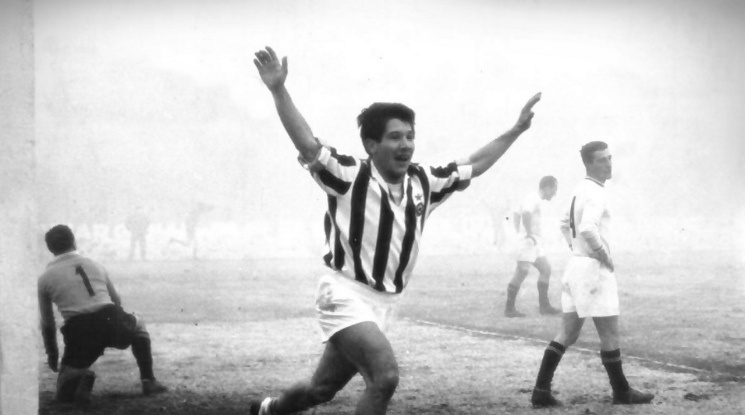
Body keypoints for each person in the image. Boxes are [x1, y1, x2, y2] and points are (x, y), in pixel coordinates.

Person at [249, 46, 541, 415]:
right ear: (371, 145)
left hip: (384, 303)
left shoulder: (424, 181)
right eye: (395, 137)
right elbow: (307, 143)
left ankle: (269, 410)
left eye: (409, 136)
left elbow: (475, 163)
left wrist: (516, 130)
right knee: (384, 377)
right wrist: (278, 90)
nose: (405, 145)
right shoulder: (350, 175)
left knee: (321, 389)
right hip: (343, 293)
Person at [530, 142, 654, 407]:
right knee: (609, 335)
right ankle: (622, 392)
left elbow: (563, 224)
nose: (609, 164)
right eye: (602, 160)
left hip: (575, 266)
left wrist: (575, 248)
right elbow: (587, 227)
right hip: (593, 270)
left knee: (567, 333)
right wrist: (602, 254)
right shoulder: (596, 192)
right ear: (589, 164)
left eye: (610, 158)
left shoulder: (579, 189)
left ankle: (540, 391)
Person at [38, 225, 167, 406]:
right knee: (139, 324)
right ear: (74, 242)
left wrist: (52, 353)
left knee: (62, 395)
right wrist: (117, 328)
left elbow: (48, 323)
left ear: (50, 249)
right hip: (110, 317)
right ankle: (148, 380)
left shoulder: (44, 278)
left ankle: (81, 376)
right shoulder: (95, 264)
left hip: (79, 330)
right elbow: (115, 299)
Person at [504, 176, 561, 317]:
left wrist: (520, 230)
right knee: (522, 271)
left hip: (533, 241)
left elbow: (516, 213)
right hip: (528, 240)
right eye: (554, 190)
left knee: (546, 269)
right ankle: (509, 309)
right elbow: (525, 213)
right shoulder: (533, 197)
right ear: (547, 187)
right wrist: (527, 233)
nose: (555, 194)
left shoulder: (534, 198)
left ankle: (544, 307)